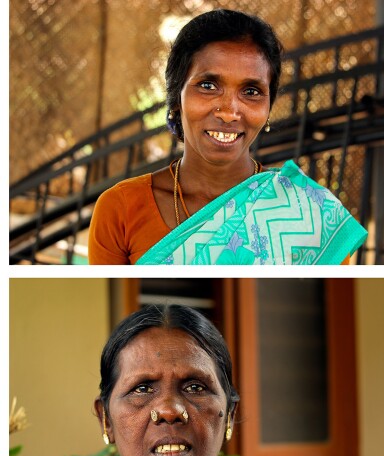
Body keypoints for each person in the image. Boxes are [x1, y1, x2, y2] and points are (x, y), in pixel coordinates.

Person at [19, 304, 333, 456]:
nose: (169, 410)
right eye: (142, 389)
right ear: (106, 419)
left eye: (195, 387)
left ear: (230, 416)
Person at [88, 10, 367, 265]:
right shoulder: (121, 208)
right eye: (208, 86)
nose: (229, 112)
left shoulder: (311, 215)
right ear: (176, 98)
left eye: (251, 91)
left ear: (268, 107)